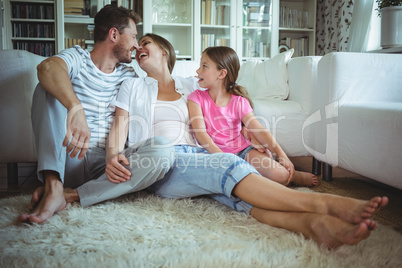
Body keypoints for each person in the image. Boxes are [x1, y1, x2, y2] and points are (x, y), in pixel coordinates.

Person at [65, 33, 388, 249]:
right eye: (138, 45)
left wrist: (250, 133)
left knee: (234, 194)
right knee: (227, 164)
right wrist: (112, 155)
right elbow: (121, 124)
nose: (138, 48)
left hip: (193, 160)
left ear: (165, 51)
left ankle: (314, 226)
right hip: (156, 159)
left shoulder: (192, 85)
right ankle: (322, 204)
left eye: (146, 42)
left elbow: (226, 101)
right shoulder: (133, 86)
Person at [18, 6, 175, 224]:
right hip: (71, 154)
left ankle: (71, 194)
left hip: (106, 166)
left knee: (163, 149)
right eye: (134, 37)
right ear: (114, 35)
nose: (137, 45)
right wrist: (76, 108)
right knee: (44, 89)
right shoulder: (78, 57)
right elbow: (47, 68)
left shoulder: (129, 75)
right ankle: (54, 185)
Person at [187, 46, 318, 187]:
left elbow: (258, 129)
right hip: (213, 154)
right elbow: (201, 134)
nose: (198, 71)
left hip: (242, 151)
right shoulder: (196, 98)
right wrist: (223, 158)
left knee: (281, 175)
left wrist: (282, 155)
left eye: (204, 66)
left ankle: (294, 176)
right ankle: (251, 175)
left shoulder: (239, 101)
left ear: (221, 74)